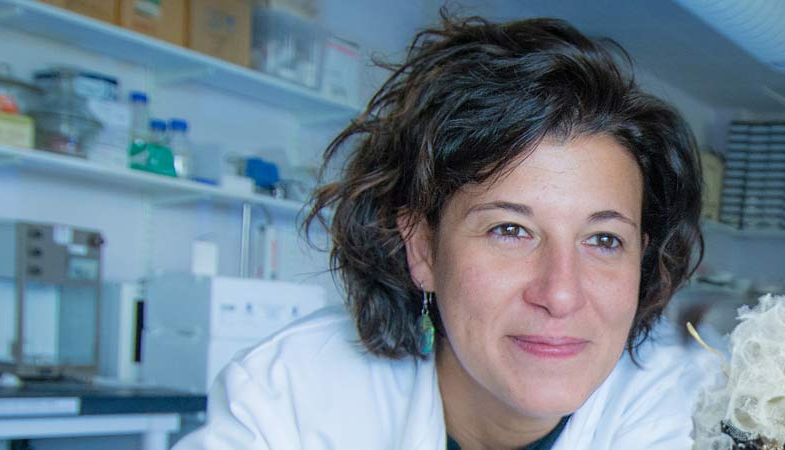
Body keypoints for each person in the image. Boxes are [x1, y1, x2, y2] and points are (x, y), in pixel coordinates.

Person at [172, 13, 709, 450]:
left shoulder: (694, 414)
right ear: (423, 247)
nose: (561, 293)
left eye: (604, 240)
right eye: (510, 230)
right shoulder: (289, 394)